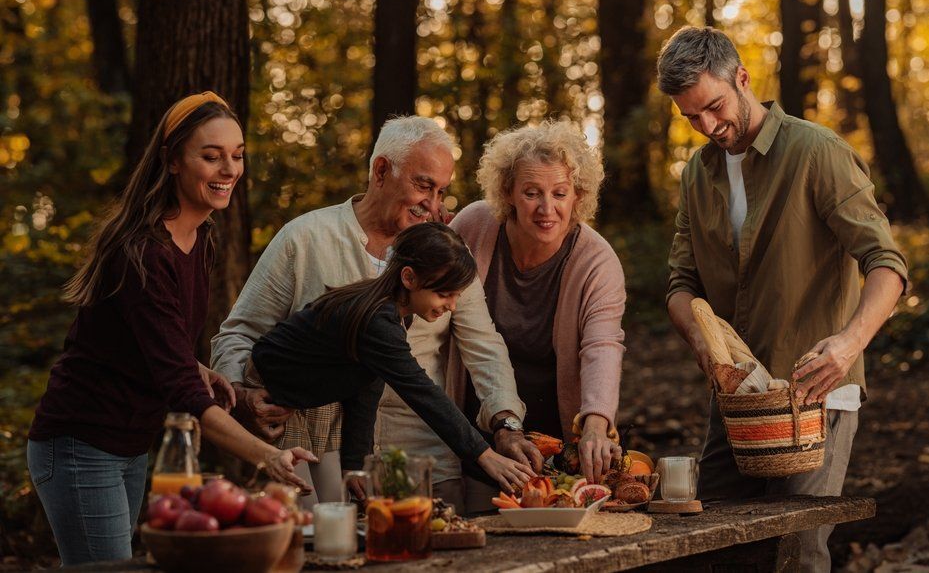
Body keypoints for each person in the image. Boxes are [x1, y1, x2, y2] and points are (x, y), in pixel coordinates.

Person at [27, 93, 316, 566]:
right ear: (173, 160)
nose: (229, 169)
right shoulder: (143, 253)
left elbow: (150, 337)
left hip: (131, 442)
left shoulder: (201, 237)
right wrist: (266, 456)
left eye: (237, 155)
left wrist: (197, 366)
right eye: (211, 156)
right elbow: (180, 389)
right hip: (82, 440)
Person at [657, 27, 908, 573]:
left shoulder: (817, 151)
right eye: (691, 117)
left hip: (815, 395)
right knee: (715, 545)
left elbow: (886, 263)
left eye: (714, 107)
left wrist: (848, 345)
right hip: (737, 400)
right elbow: (681, 285)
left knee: (796, 554)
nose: (707, 127)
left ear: (743, 79)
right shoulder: (697, 175)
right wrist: (702, 342)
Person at [212, 115, 537, 512]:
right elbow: (238, 333)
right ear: (381, 170)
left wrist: (506, 421)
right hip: (314, 444)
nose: (434, 204)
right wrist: (240, 396)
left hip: (424, 455)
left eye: (441, 191)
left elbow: (484, 347)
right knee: (323, 540)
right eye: (424, 185)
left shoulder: (447, 256)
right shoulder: (305, 238)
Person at [245, 222, 534, 493]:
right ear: (409, 278)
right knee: (313, 515)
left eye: (456, 296)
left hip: (311, 402)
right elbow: (422, 393)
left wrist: (355, 463)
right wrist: (484, 455)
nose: (452, 306)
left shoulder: (390, 315)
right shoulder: (376, 320)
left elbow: (366, 385)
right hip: (281, 403)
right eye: (445, 294)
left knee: (336, 506)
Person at [448, 119, 627, 510]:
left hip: (554, 440)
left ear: (578, 195)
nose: (547, 209)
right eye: (531, 193)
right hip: (476, 431)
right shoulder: (473, 228)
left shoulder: (596, 261)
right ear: (508, 192)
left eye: (560, 193)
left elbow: (602, 345)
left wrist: (596, 423)